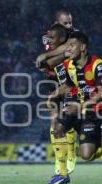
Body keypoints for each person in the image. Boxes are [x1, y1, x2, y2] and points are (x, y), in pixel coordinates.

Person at [46, 32, 102, 184]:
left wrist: (79, 106)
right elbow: (68, 86)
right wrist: (54, 94)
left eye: (72, 45)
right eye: (67, 45)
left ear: (83, 47)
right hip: (88, 112)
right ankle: (64, 173)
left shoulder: (97, 65)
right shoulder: (69, 66)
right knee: (85, 154)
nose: (68, 48)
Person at [36, 15, 78, 175]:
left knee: (67, 118)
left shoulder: (75, 35)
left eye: (70, 22)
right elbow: (56, 54)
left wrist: (47, 59)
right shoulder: (49, 36)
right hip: (52, 79)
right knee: (54, 120)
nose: (69, 25)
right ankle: (60, 159)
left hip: (69, 78)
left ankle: (72, 152)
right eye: (65, 22)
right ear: (56, 24)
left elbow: (63, 52)